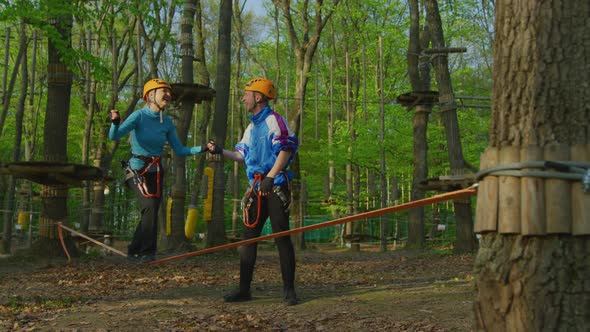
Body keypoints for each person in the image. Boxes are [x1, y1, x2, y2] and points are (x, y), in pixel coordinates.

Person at [207, 77, 299, 305]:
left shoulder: (273, 121)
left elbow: (285, 150)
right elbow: (242, 155)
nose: (243, 98)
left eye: (246, 94)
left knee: (281, 235)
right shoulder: (251, 127)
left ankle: (289, 290)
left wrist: (270, 177)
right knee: (248, 239)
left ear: (258, 97)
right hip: (257, 187)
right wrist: (221, 151)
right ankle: (243, 290)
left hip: (275, 184)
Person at [109, 78, 206, 263]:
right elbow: (115, 136)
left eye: (170, 92)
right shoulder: (139, 116)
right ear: (151, 95)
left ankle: (135, 250)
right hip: (136, 170)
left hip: (156, 171)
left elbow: (180, 149)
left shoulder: (167, 122)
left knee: (151, 210)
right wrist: (115, 122)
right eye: (165, 92)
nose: (169, 95)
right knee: (149, 206)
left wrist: (202, 148)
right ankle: (147, 252)